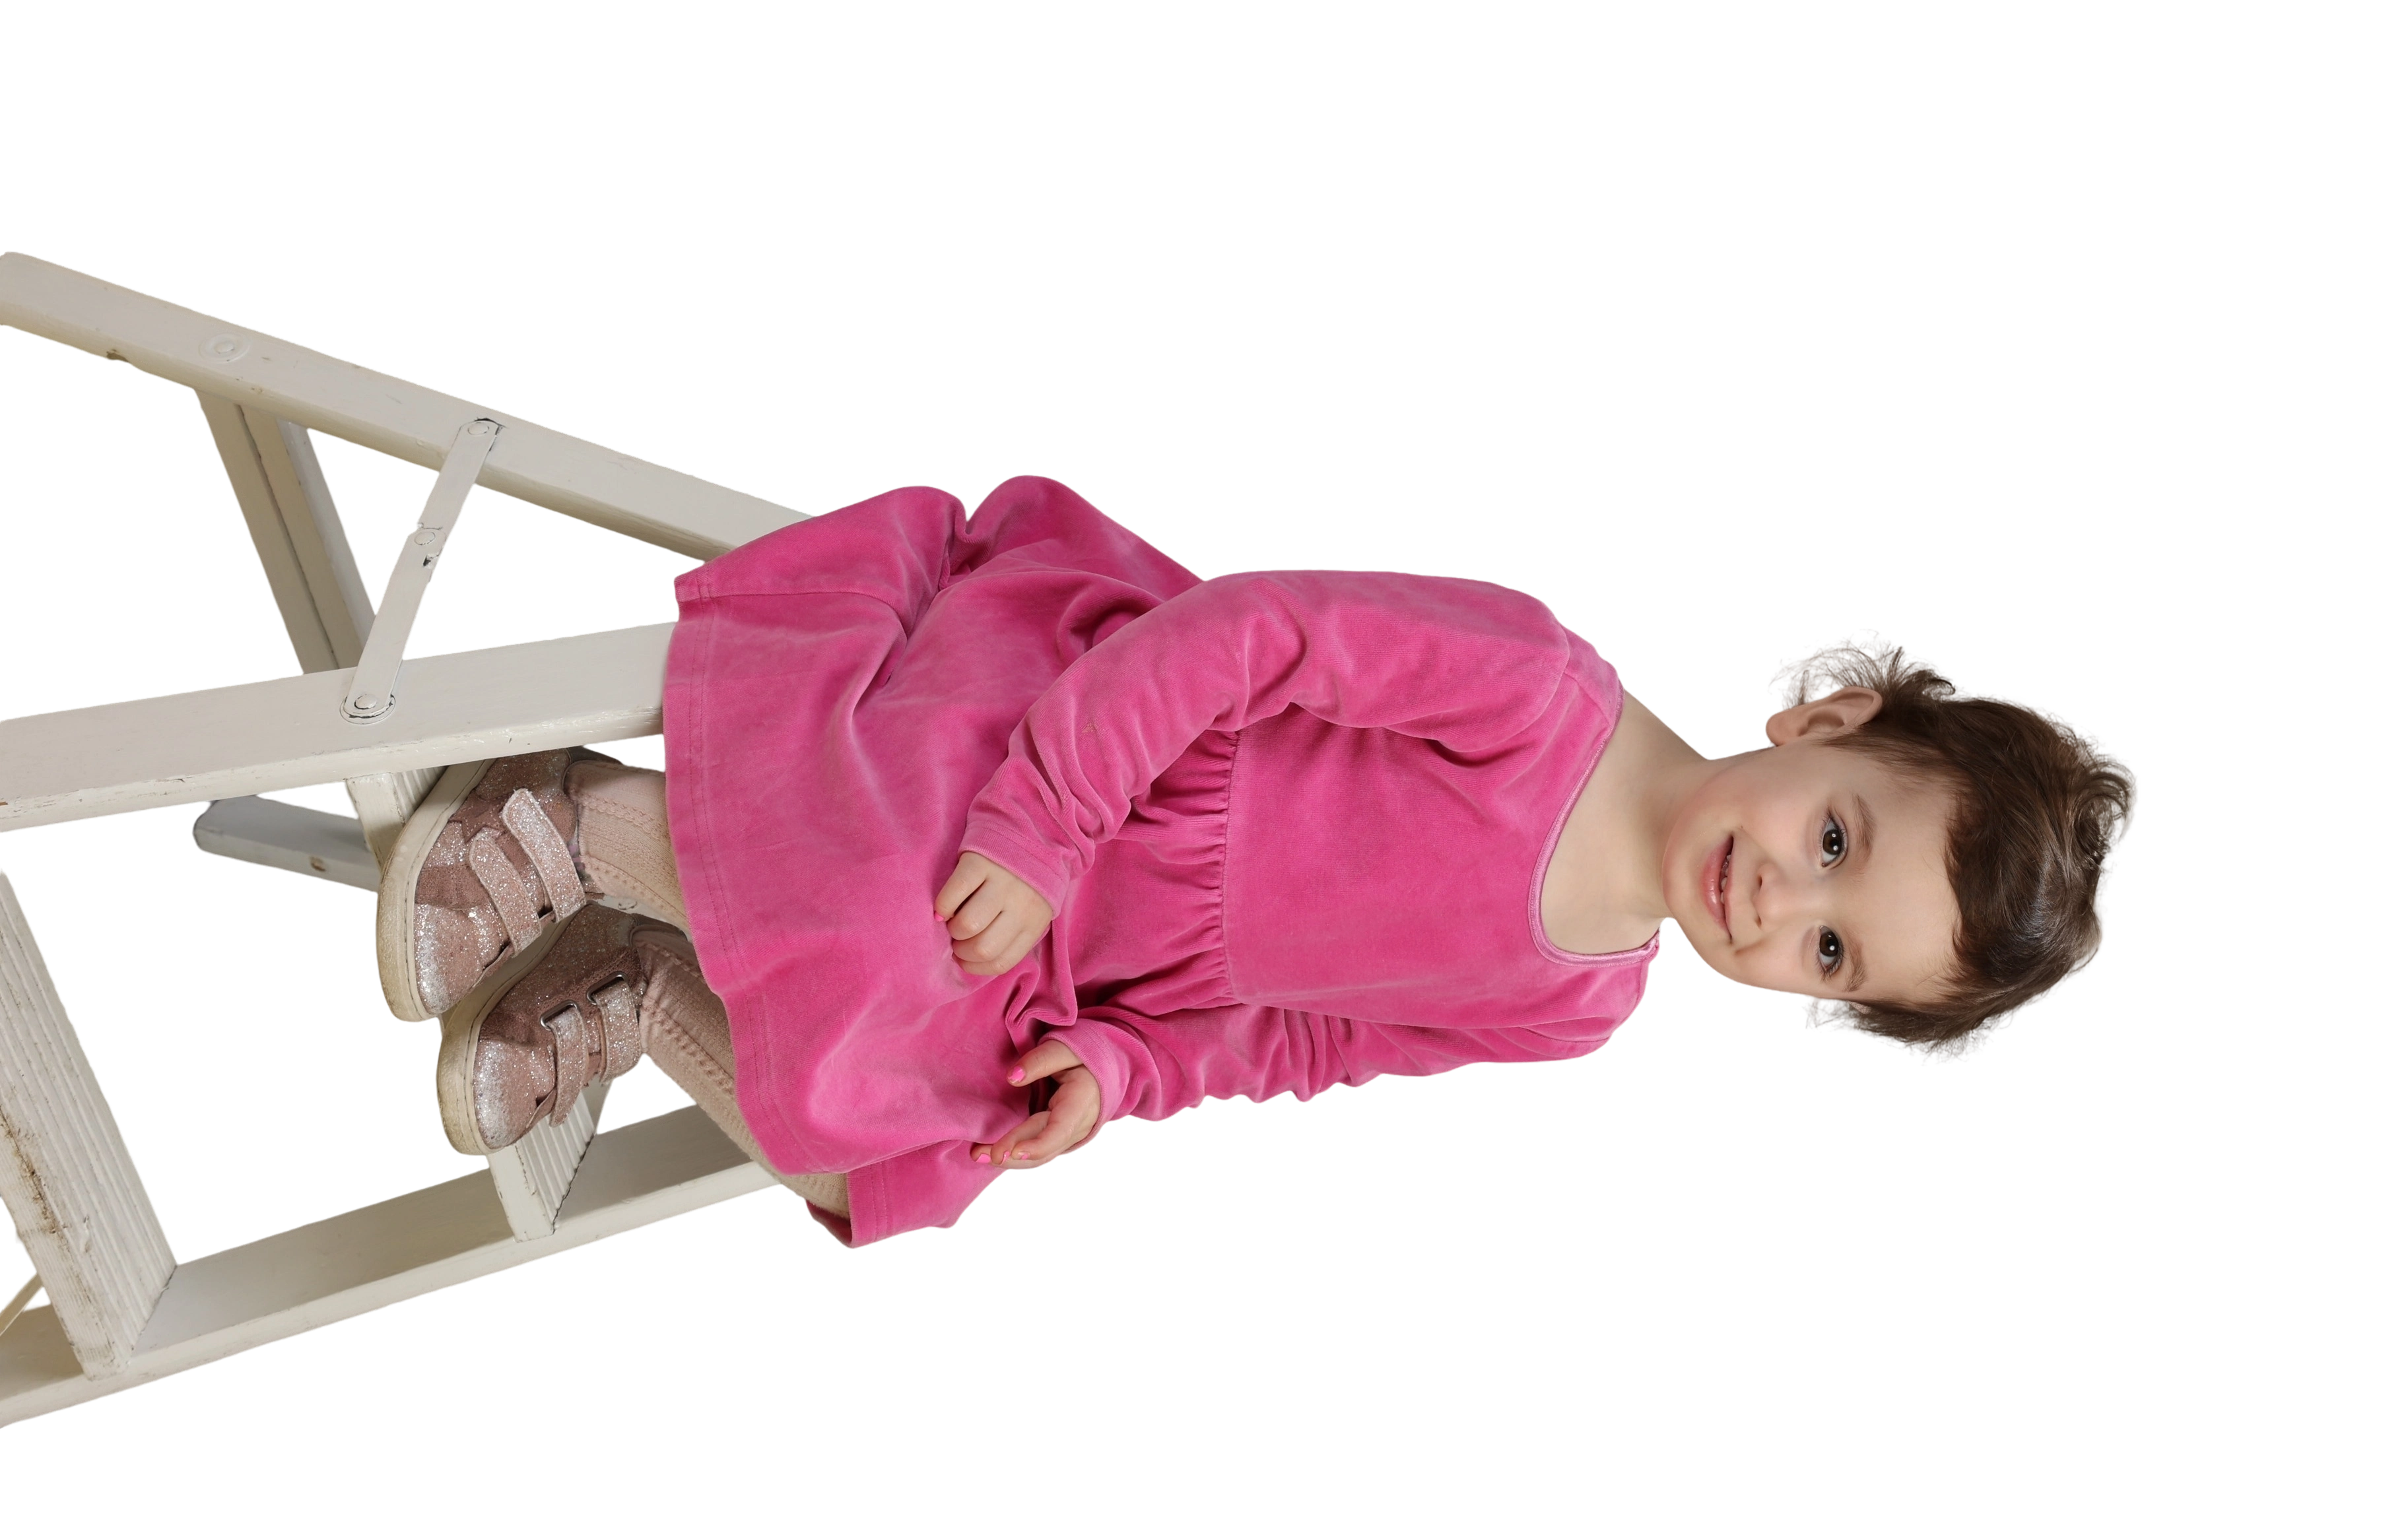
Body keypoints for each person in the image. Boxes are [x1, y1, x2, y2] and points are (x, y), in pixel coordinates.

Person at [373, 474, 2143, 1249]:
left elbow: (1310, 1038)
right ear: (1827, 719)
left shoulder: (1582, 1005)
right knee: (883, 905)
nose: (1780, 902)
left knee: (896, 1172)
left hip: (1088, 965)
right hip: (1068, 751)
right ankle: (575, 819)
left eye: (1830, 953)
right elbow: (1245, 635)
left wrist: (1127, 1070)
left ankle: (638, 989)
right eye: (1834, 839)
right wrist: (1048, 821)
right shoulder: (1540, 692)